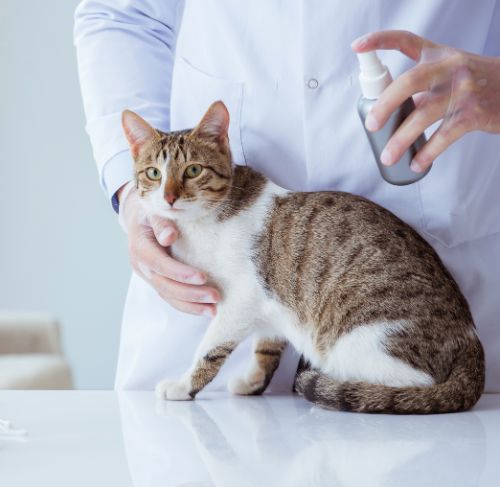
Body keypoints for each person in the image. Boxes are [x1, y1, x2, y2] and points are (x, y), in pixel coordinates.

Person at [74, 0, 500, 394]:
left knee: (429, 465)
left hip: (425, 278)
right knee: (200, 466)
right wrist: (132, 193)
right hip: (201, 268)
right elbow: (122, 16)